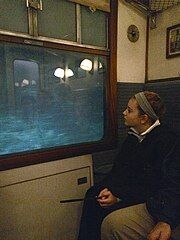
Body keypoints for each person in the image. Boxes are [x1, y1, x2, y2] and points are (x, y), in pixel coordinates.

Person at [78, 91, 180, 240]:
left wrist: (118, 196)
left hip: (147, 195)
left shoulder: (167, 141)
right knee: (93, 194)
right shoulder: (133, 137)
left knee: (108, 217)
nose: (124, 112)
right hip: (130, 189)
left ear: (144, 118)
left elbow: (153, 183)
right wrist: (109, 189)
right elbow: (119, 170)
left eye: (129, 110)